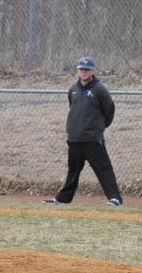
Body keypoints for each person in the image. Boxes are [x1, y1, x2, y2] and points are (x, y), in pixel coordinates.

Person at [44, 57, 123, 206]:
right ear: (78, 71)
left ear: (93, 71)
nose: (84, 72)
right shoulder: (73, 89)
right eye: (81, 69)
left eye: (87, 69)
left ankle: (115, 198)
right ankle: (63, 198)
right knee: (73, 171)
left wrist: (98, 128)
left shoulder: (99, 89)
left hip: (92, 139)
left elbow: (109, 111)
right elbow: (73, 109)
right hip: (74, 139)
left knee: (104, 169)